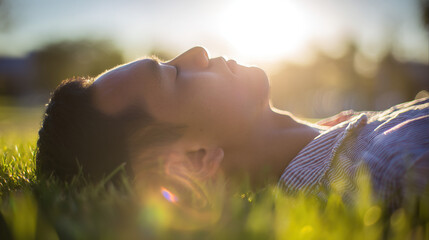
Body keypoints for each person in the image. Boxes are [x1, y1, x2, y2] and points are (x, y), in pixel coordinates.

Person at [37, 46, 429, 209]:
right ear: (194, 160)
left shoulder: (350, 131)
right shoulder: (393, 161)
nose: (197, 53)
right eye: (173, 75)